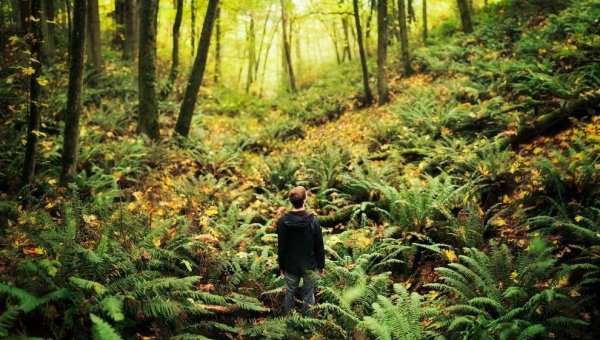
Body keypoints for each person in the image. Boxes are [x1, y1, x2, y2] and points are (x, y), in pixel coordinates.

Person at [276, 186, 325, 316]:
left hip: (290, 265)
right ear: (305, 199)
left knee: (290, 293)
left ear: (291, 201)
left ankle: (290, 322)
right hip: (309, 265)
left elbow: (281, 246)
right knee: (309, 294)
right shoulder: (313, 220)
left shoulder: (282, 221)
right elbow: (319, 245)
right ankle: (307, 325)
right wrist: (321, 266)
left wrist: (281, 266)